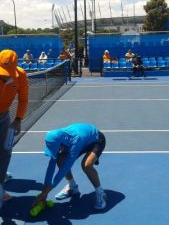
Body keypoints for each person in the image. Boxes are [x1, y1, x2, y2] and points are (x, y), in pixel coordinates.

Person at [33, 123, 107, 210]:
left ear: (61, 144)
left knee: (86, 165)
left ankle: (100, 192)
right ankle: (73, 187)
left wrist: (46, 192)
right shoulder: (58, 139)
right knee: (60, 159)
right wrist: (44, 190)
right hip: (81, 140)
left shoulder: (76, 141)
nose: (57, 150)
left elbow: (65, 168)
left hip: (96, 140)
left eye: (58, 148)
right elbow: (51, 165)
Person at [0, 49, 28, 207]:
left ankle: (0, 186)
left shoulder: (21, 75)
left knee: (5, 151)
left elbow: (23, 99)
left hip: (4, 117)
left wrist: (18, 119)